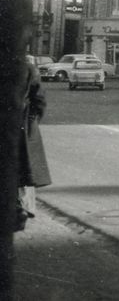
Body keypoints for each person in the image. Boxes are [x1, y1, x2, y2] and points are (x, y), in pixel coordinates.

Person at [16, 56, 51, 231]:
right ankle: (24, 208)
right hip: (22, 127)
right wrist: (31, 122)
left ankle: (20, 208)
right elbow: (39, 101)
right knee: (24, 169)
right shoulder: (29, 68)